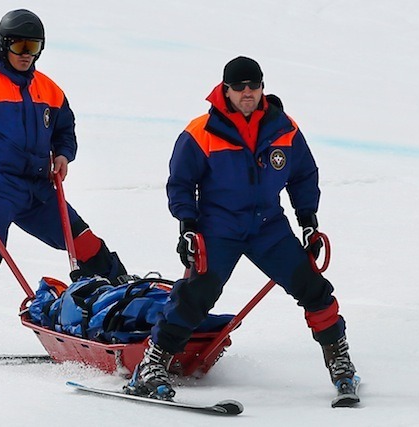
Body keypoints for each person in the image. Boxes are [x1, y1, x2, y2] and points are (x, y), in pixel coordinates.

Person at [125, 56, 357, 400]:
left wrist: (308, 221)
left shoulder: (285, 128)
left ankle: (340, 363)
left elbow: (303, 174)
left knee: (313, 288)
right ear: (225, 89)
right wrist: (187, 226)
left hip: (269, 227)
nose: (247, 93)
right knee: (195, 296)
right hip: (219, 226)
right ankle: (153, 363)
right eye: (239, 87)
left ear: (263, 87)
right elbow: (181, 184)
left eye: (254, 85)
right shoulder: (199, 132)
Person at [0, 9, 126, 354]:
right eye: (20, 45)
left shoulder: (49, 88)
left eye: (34, 46)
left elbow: (65, 128)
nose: (27, 53)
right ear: (4, 45)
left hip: (38, 187)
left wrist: (63, 154)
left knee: (84, 242)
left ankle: (125, 299)